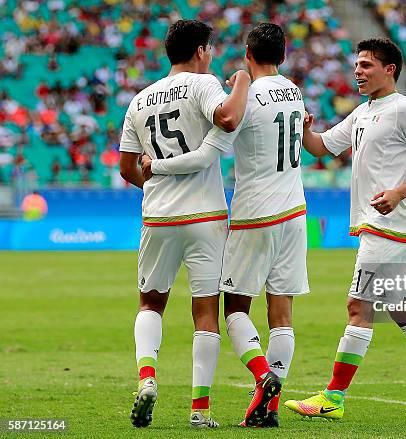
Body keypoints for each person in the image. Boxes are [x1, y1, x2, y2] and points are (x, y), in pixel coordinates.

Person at [283, 38, 406, 421]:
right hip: (385, 228)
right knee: (405, 312)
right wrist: (303, 129)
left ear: (390, 70)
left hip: (386, 225)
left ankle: (333, 397)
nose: (358, 71)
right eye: (357, 65)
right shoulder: (362, 113)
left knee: (358, 307)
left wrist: (399, 192)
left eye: (366, 65)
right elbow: (321, 148)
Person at [141, 22, 308, 428]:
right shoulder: (295, 92)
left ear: (248, 55)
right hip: (296, 211)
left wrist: (154, 166)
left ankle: (262, 374)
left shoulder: (246, 97)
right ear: (283, 56)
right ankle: (267, 406)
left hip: (255, 214)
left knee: (234, 308)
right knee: (281, 311)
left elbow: (203, 156)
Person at [118, 19, 250, 429]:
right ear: (200, 51)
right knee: (205, 312)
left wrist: (156, 184)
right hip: (205, 215)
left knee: (150, 302)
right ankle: (200, 409)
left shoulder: (139, 100)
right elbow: (228, 118)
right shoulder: (203, 83)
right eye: (209, 49)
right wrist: (242, 81)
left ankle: (146, 378)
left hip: (157, 215)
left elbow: (126, 168)